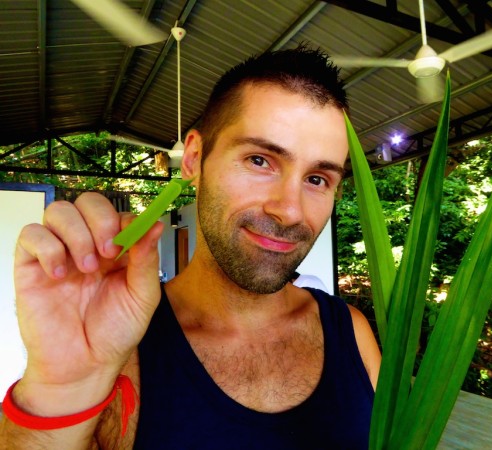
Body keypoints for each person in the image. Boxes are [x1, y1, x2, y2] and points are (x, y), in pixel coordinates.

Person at [0, 44, 381, 449]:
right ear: (195, 158)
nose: (289, 210)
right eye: (259, 160)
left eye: (318, 179)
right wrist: (61, 384)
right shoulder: (123, 350)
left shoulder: (351, 333)